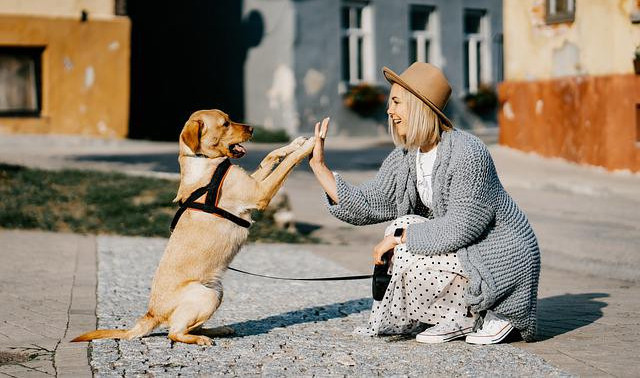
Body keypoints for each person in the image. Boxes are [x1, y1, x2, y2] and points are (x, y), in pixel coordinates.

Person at [308, 62, 540, 344]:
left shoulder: (468, 152)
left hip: (500, 256)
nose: (389, 111)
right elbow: (370, 202)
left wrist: (399, 239)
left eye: (396, 102)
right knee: (401, 225)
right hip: (467, 251)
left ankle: (488, 311)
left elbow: (461, 227)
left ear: (418, 105)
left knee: (402, 238)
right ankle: (455, 316)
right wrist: (320, 167)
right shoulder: (408, 156)